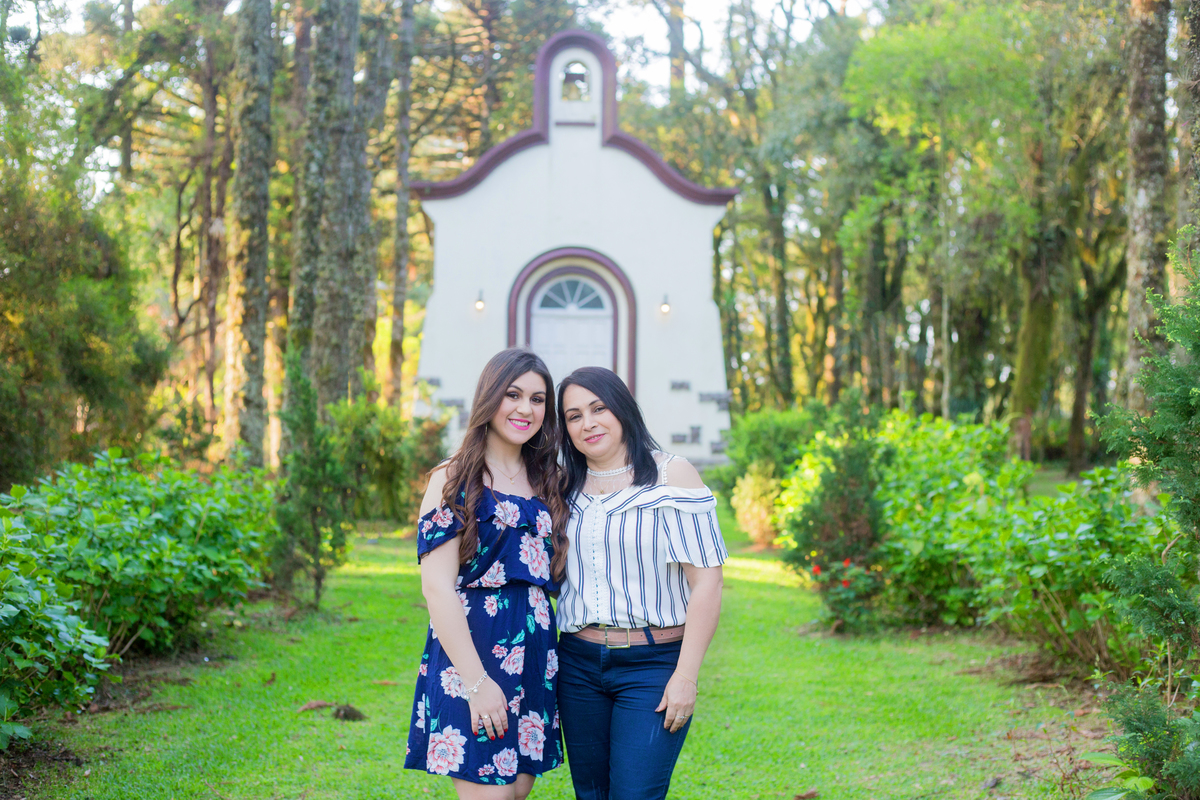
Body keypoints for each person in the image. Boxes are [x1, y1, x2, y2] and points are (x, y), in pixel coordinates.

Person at [554, 366, 727, 800]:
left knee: (635, 794)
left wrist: (686, 676)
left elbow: (708, 582)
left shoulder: (673, 476)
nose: (587, 422)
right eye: (573, 416)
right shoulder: (560, 486)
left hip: (653, 664)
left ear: (622, 409)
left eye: (598, 408)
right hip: (577, 664)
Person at [405, 349, 569, 799]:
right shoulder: (452, 477)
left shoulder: (549, 480)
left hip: (534, 658)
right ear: (489, 398)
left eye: (538, 400)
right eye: (512, 395)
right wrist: (477, 684)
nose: (525, 409)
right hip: (471, 658)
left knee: (515, 794)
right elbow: (437, 588)